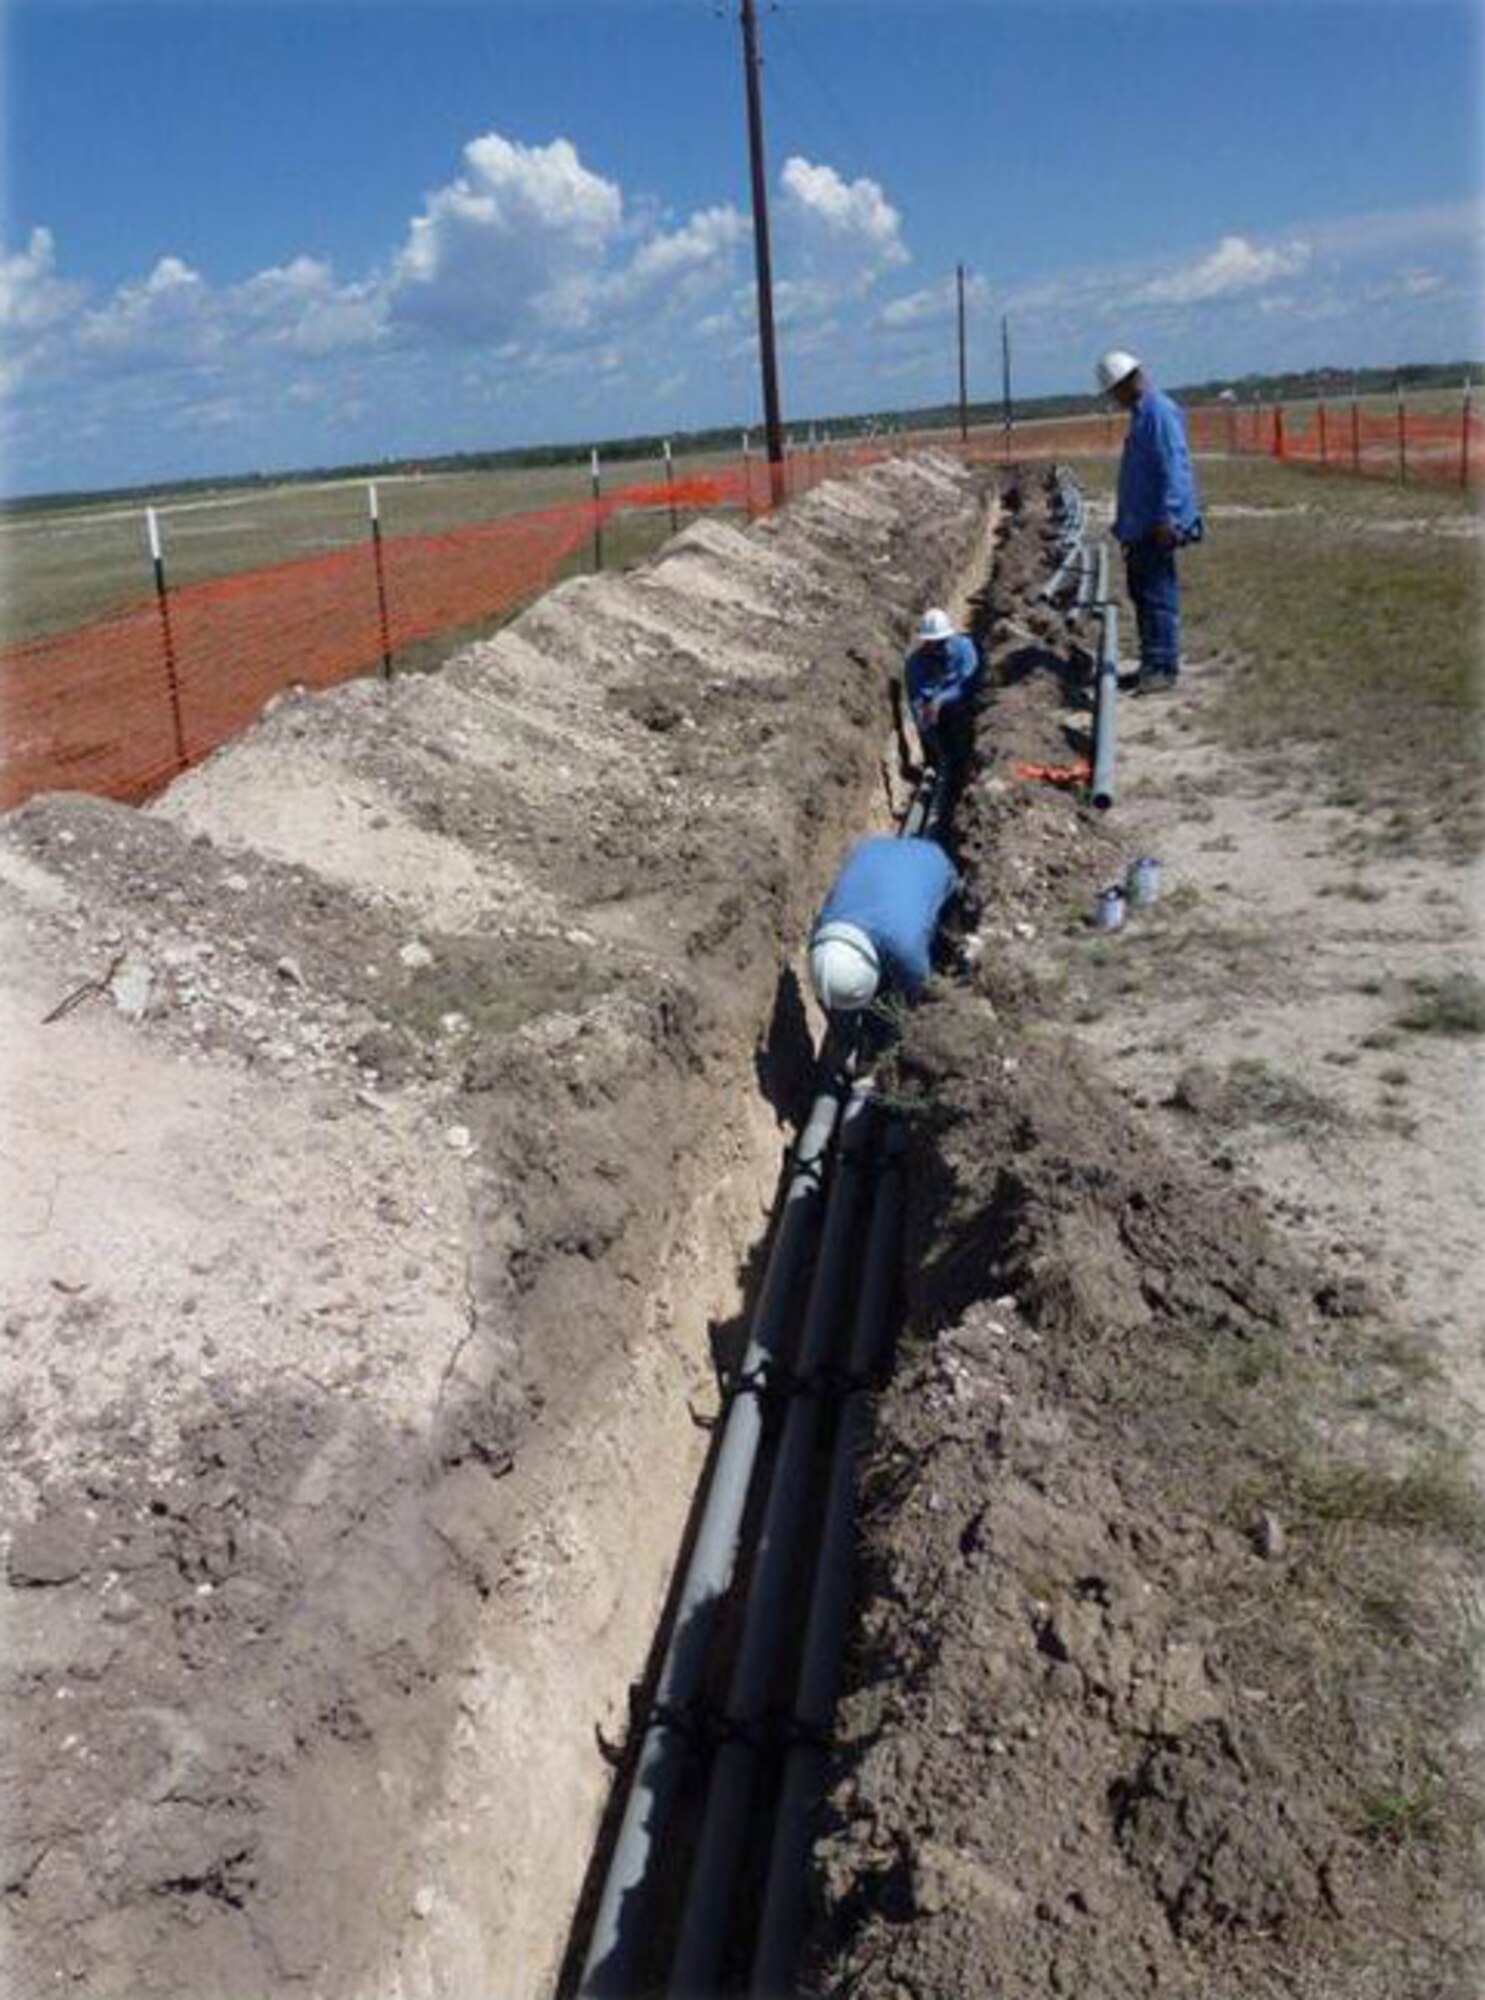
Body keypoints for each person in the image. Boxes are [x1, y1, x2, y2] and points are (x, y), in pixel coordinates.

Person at [1096, 349, 1203, 695]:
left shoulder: (1158, 412)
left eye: (1114, 392)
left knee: (1158, 597)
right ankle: (1151, 663)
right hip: (1141, 526)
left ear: (1127, 383)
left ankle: (1163, 668)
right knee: (1143, 595)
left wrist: (1170, 516)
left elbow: (1175, 465)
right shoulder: (1142, 414)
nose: (1114, 400)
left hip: (1156, 526)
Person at [808, 834, 959, 1016]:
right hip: (875, 848)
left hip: (936, 863)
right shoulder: (826, 922)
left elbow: (920, 997)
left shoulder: (907, 949)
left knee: (944, 935)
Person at [904, 608, 981, 789]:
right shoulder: (915, 663)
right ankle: (937, 763)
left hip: (962, 709)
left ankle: (964, 765)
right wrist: (933, 739)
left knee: (962, 719)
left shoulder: (964, 648)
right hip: (935, 717)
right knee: (928, 727)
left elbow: (969, 684)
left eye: (940, 642)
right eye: (930, 642)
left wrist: (942, 699)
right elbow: (916, 702)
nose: (934, 646)